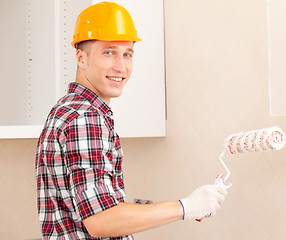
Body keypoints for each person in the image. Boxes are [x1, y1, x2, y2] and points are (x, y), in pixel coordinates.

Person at [35, 2, 228, 239]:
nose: (121, 66)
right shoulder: (86, 118)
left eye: (127, 54)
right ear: (81, 58)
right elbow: (101, 219)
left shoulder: (67, 109)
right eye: (109, 52)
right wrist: (186, 206)